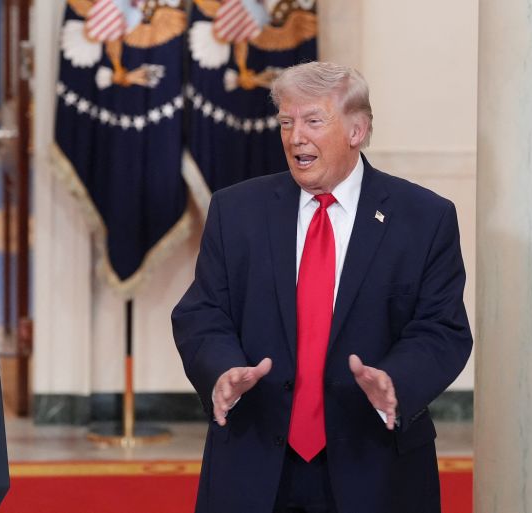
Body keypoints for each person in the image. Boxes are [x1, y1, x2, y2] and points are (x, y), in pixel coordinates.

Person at [172, 61, 473, 513]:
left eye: (313, 121)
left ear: (357, 130)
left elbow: (440, 328)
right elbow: (203, 313)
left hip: (376, 463)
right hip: (254, 462)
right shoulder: (236, 211)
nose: (296, 138)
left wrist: (396, 381)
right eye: (287, 122)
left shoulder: (424, 218)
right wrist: (222, 370)